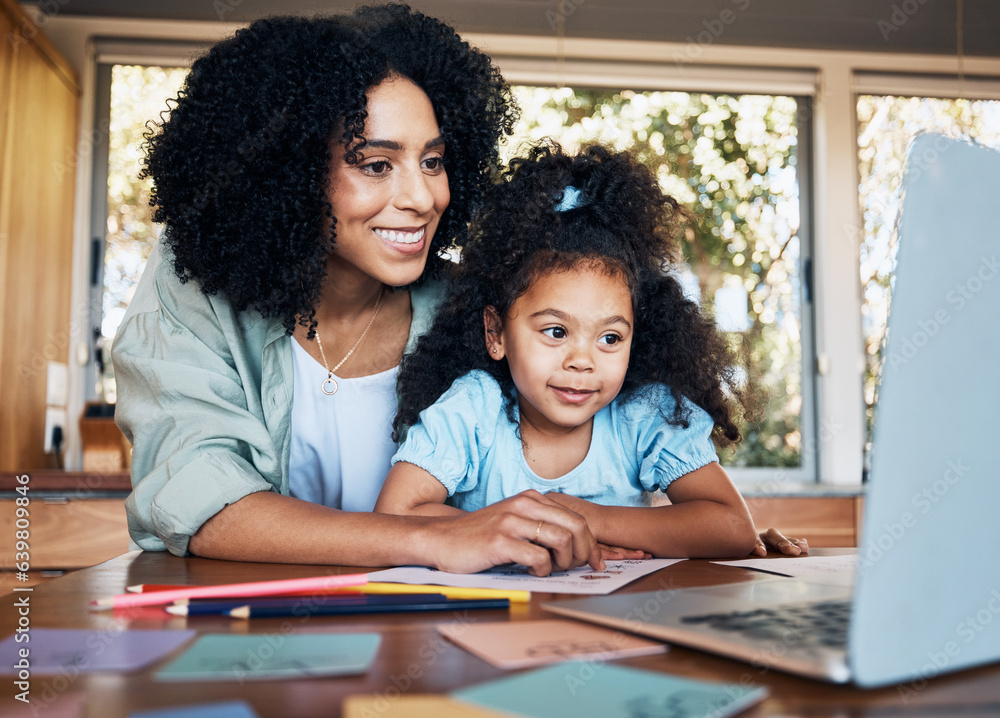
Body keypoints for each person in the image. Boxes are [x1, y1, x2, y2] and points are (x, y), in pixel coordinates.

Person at [114, 6, 802, 574]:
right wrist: (431, 538)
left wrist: (714, 537)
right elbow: (200, 499)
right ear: (286, 175)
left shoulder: (476, 305)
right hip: (254, 640)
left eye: (434, 160)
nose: (420, 197)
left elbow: (600, 415)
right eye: (375, 164)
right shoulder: (194, 288)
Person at [376, 144, 805, 559]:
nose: (582, 361)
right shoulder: (473, 411)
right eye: (556, 331)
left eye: (610, 339)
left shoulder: (644, 416)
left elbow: (730, 528)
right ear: (496, 332)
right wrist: (540, 529)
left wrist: (588, 517)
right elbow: (394, 518)